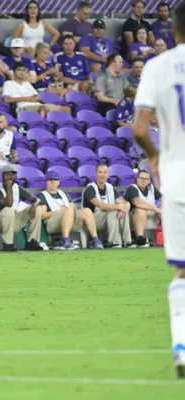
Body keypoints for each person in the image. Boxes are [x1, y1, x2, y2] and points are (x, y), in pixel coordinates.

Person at [132, 2, 185, 373]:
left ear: (173, 29)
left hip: (178, 177)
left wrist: (153, 157)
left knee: (183, 272)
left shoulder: (157, 66)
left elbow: (138, 128)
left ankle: (182, 346)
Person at [38, 170, 103, 250]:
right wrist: (59, 211)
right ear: (46, 182)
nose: (53, 182)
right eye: (50, 180)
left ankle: (95, 240)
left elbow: (73, 207)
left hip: (68, 220)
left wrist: (69, 211)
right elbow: (43, 215)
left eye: (55, 180)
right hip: (52, 223)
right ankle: (65, 240)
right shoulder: (43, 195)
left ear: (58, 182)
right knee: (68, 210)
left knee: (86, 211)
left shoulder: (62, 193)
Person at [0, 164, 43, 251]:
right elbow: (8, 204)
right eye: (8, 174)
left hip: (12, 222)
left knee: (38, 209)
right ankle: (8, 244)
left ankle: (32, 241)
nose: (11, 177)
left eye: (13, 174)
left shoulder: (17, 187)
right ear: (3, 176)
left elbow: (37, 200)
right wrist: (9, 187)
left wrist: (33, 206)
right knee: (8, 210)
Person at [81, 163, 133, 247]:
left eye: (105, 172)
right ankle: (114, 241)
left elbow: (122, 201)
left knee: (123, 211)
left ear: (108, 175)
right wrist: (119, 207)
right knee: (114, 212)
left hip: (107, 217)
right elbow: (100, 205)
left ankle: (127, 241)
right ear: (96, 174)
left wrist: (127, 206)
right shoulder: (90, 188)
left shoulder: (110, 187)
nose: (102, 175)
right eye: (100, 172)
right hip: (92, 219)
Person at [2, 62, 71, 115]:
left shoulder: (27, 84)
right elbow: (6, 100)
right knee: (44, 109)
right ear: (14, 72)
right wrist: (24, 98)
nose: (21, 72)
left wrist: (36, 98)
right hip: (24, 108)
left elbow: (37, 96)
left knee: (66, 109)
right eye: (19, 70)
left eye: (23, 70)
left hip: (37, 105)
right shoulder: (8, 83)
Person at [123, 169, 162, 247]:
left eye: (146, 179)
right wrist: (155, 208)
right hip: (131, 217)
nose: (143, 180)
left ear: (149, 181)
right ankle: (140, 238)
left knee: (168, 209)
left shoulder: (152, 188)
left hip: (150, 216)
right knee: (141, 209)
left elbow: (164, 199)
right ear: (136, 179)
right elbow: (137, 202)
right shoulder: (132, 188)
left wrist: (160, 208)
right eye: (141, 178)